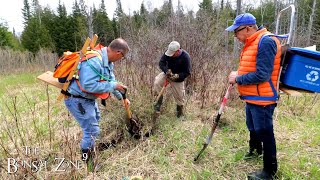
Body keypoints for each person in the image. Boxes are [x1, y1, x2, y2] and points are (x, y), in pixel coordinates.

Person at [226, 13, 281, 179]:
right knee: (252, 126)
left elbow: (262, 75)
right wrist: (239, 73)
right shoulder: (251, 42)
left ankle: (269, 171)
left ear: (248, 28)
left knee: (265, 132)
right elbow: (251, 68)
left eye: (237, 31)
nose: (235, 36)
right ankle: (255, 150)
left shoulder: (266, 42)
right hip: (252, 96)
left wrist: (238, 78)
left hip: (263, 98)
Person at [63, 38, 130, 168]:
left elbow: (110, 80)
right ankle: (88, 163)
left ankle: (90, 150)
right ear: (118, 52)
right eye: (123, 56)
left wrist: (122, 98)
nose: (122, 59)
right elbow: (88, 85)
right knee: (92, 131)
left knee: (94, 125)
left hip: (88, 99)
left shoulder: (108, 62)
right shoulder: (95, 60)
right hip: (77, 99)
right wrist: (113, 85)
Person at [153, 41, 191, 118]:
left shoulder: (185, 57)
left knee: (180, 97)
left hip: (178, 79)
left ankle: (179, 114)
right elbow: (161, 63)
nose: (170, 55)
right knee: (157, 82)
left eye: (172, 53)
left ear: (178, 51)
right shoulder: (168, 53)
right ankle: (158, 105)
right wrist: (166, 70)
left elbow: (187, 72)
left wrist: (178, 76)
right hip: (167, 74)